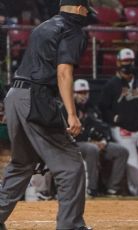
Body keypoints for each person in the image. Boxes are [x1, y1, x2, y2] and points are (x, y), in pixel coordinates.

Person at [0, 0, 94, 229]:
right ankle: (70, 226)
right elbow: (63, 71)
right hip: (36, 97)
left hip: (14, 95)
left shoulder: (42, 26)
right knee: (71, 166)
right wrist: (71, 114)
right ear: (81, 8)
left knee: (21, 164)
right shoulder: (73, 30)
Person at [99, 48, 138, 196]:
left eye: (130, 61)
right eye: (124, 61)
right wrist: (115, 119)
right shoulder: (111, 85)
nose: (127, 64)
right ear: (118, 62)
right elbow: (103, 108)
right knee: (133, 163)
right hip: (122, 130)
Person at [73, 79, 129, 197]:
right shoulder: (68, 109)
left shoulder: (92, 108)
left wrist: (103, 140)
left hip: (95, 143)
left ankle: (113, 189)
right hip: (74, 144)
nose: (84, 95)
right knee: (92, 149)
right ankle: (92, 189)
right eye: (80, 92)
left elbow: (103, 127)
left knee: (122, 151)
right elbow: (69, 133)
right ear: (73, 93)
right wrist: (91, 141)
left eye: (86, 92)